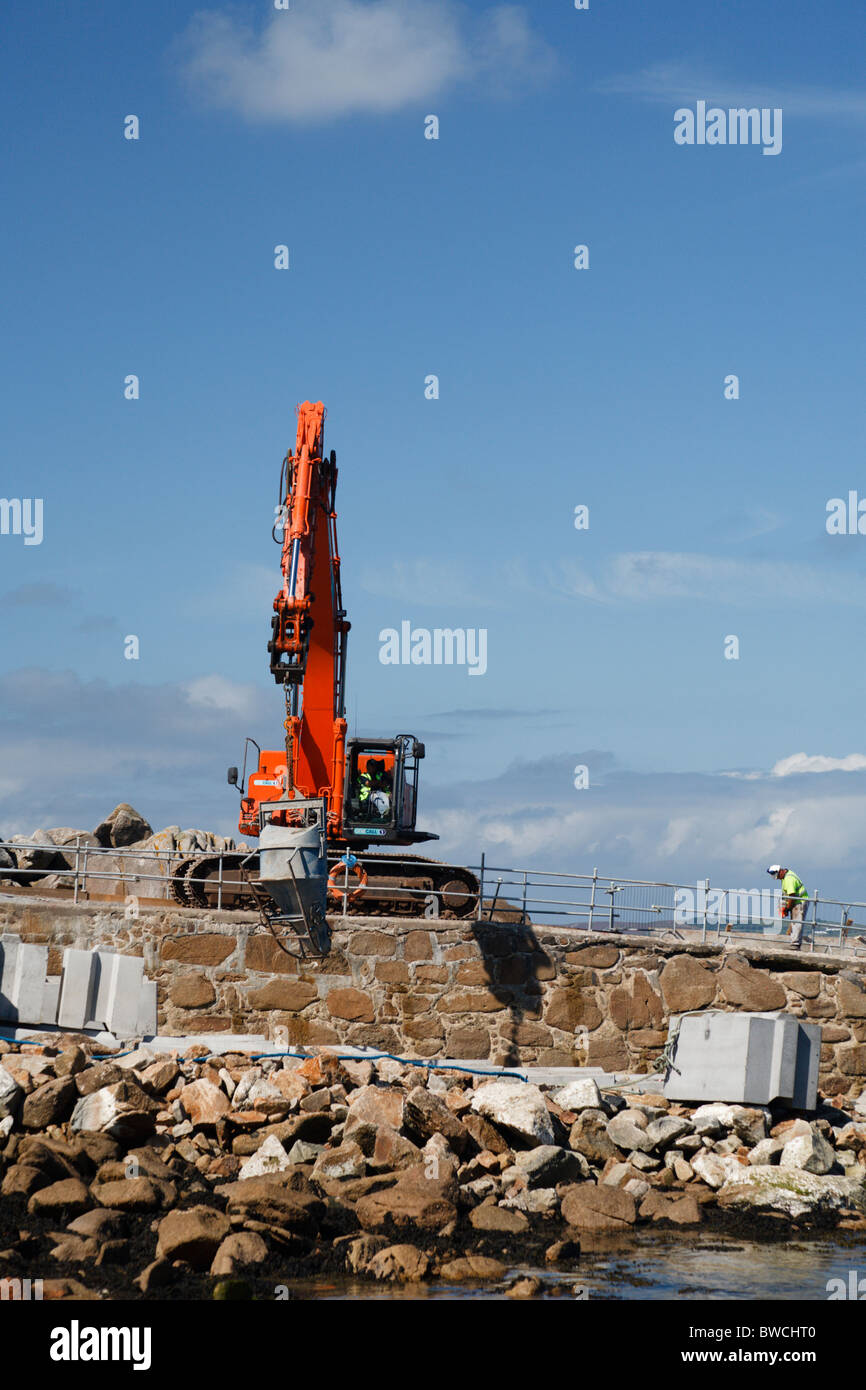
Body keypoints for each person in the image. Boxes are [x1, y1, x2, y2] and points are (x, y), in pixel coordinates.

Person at [767, 864, 809, 950]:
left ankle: (795, 945)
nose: (777, 878)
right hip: (795, 902)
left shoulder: (789, 879)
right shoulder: (784, 877)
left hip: (800, 902)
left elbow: (792, 896)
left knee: (797, 923)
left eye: (777, 876)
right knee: (794, 923)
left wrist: (787, 908)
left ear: (780, 872)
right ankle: (794, 942)